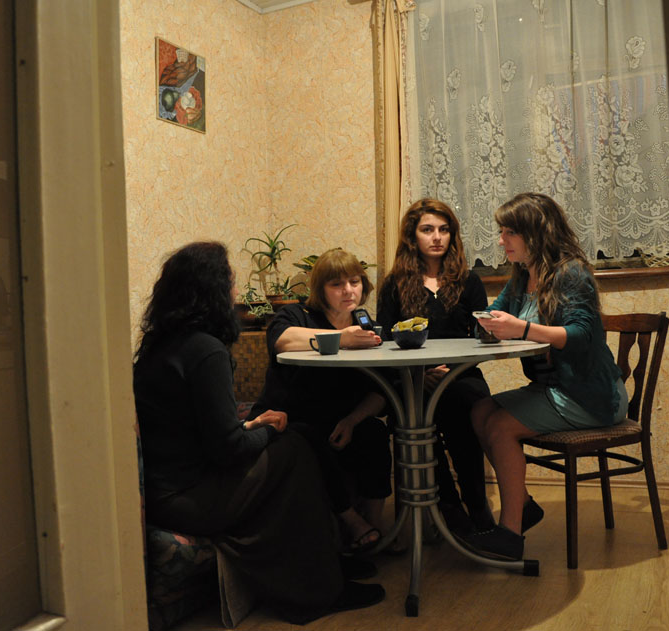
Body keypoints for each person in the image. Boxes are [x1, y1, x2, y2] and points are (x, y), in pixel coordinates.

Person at [133, 242, 384, 624]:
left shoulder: (163, 345)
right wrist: (267, 430)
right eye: (231, 282)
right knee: (297, 446)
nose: (236, 292)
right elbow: (229, 450)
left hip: (168, 490)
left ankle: (324, 567)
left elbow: (195, 430)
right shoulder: (207, 351)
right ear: (213, 291)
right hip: (191, 499)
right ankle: (317, 592)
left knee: (299, 438)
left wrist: (251, 426)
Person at [462, 193, 628, 561]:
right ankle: (522, 505)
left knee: (500, 426)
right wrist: (487, 326)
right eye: (502, 232)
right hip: (553, 389)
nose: (501, 240)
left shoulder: (571, 273)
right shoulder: (522, 277)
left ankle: (510, 533)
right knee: (479, 411)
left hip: (591, 396)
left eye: (509, 232)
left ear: (535, 233)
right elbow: (491, 315)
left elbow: (581, 335)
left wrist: (520, 328)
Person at [249, 248, 391, 554]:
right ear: (321, 289)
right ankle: (353, 522)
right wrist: (342, 339)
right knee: (310, 438)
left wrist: (352, 421)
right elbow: (281, 340)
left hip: (339, 419)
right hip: (289, 416)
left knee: (374, 433)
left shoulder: (366, 325)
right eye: (337, 284)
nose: (348, 290)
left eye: (354, 282)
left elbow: (380, 391)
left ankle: (375, 528)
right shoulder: (297, 314)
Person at [376, 198, 496, 535]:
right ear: (412, 237)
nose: (437, 237)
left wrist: (452, 370)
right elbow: (385, 341)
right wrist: (420, 373)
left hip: (461, 374)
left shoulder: (468, 281)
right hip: (414, 378)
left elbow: (482, 336)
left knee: (464, 404)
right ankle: (448, 505)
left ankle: (477, 505)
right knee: (414, 414)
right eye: (427, 230)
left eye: (444, 230)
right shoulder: (395, 283)